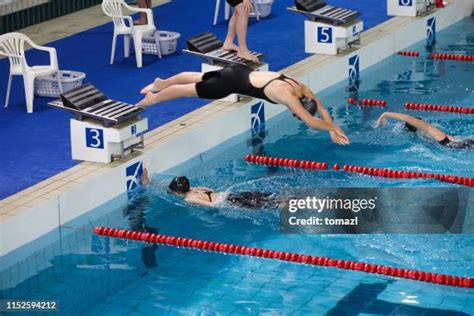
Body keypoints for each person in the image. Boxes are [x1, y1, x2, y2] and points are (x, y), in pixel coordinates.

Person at [138, 64, 350, 145]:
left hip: (238, 70)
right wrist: (333, 128)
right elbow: (312, 121)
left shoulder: (301, 88)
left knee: (196, 75)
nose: (294, 113)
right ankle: (153, 98)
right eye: (295, 113)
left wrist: (331, 129)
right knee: (186, 91)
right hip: (230, 83)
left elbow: (320, 107)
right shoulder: (288, 97)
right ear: (299, 108)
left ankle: (160, 83)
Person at [168, 176, 284, 209]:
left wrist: (225, 207)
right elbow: (211, 190)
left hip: (229, 200)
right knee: (269, 197)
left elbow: (212, 205)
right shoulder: (195, 189)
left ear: (178, 193)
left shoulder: (189, 199)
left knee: (270, 205)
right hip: (230, 194)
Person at [376, 112, 474, 149]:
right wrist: (386, 114)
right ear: (419, 123)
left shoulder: (425, 136)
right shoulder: (428, 129)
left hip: (455, 145)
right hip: (462, 144)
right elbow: (407, 118)